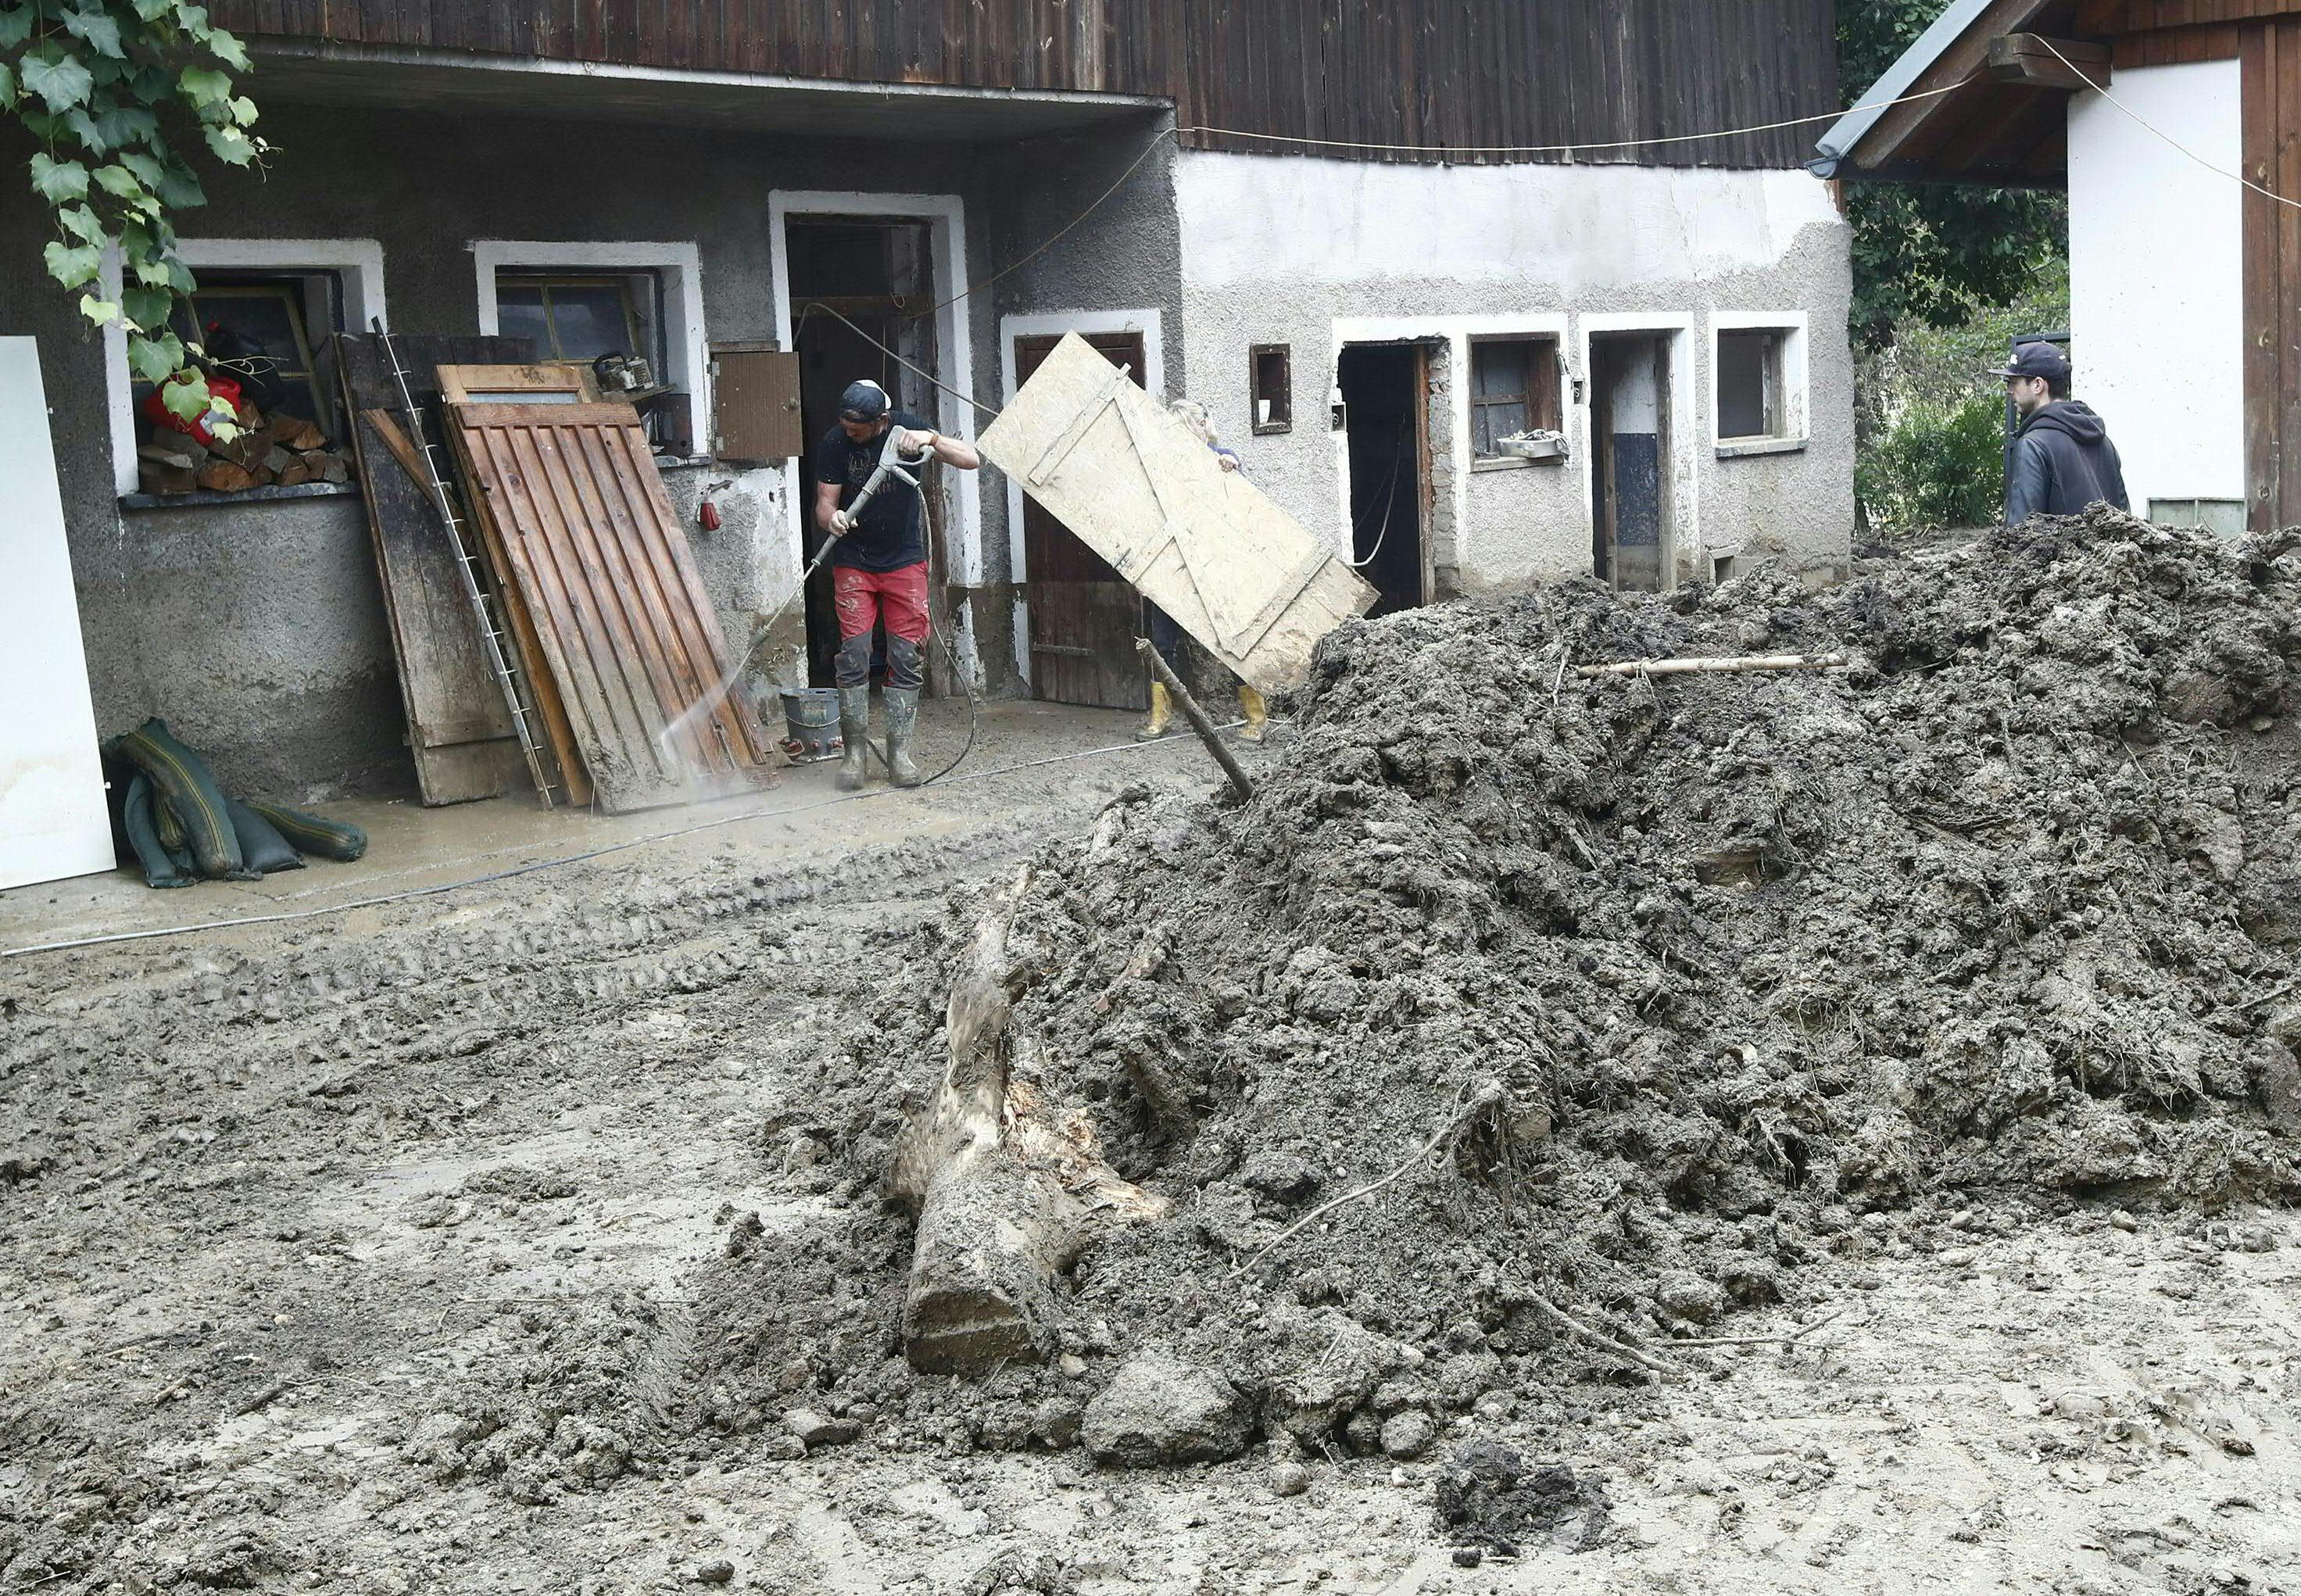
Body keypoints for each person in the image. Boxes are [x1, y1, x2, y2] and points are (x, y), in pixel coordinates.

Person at [811, 378, 980, 790]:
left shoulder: (907, 427)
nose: (850, 434)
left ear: (881, 420)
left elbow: (971, 459)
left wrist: (931, 439)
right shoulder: (834, 443)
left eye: (858, 429)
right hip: (854, 562)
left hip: (904, 561)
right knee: (854, 654)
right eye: (846, 426)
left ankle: (899, 754)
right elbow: (824, 505)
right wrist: (831, 519)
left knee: (906, 655)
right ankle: (854, 756)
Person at [1136, 399, 1269, 744]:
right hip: (1174, 570)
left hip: (1216, 572)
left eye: (1188, 428)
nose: (1183, 436)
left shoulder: (1223, 459)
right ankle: (1160, 717)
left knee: (1233, 644)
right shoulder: (1166, 469)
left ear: (1203, 426)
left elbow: (1243, 502)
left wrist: (1232, 469)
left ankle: (1256, 717)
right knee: (1162, 643)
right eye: (1176, 431)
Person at [1988, 342, 2129, 526]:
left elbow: (2020, 532)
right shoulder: (2103, 441)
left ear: (2038, 385)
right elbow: (2125, 520)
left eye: (2014, 382)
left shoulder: (2033, 446)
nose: (2010, 391)